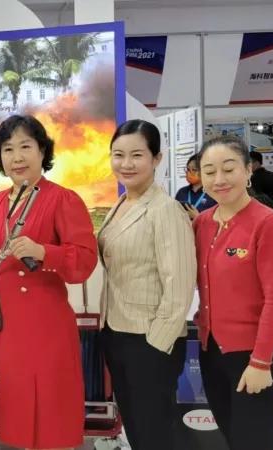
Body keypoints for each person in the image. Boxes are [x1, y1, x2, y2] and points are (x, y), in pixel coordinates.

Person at [0, 114, 98, 449]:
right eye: (8, 149)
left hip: (47, 327)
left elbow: (85, 261)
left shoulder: (63, 199)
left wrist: (44, 252)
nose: (17, 157)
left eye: (26, 146)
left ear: (42, 151)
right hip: (7, 327)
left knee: (52, 412)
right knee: (18, 410)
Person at [98, 120, 197, 450]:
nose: (126, 164)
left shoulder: (165, 209)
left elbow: (179, 283)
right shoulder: (121, 204)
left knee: (155, 432)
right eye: (118, 155)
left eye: (137, 155)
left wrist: (157, 344)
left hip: (150, 339)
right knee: (137, 429)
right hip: (118, 331)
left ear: (157, 159)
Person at [194, 136, 273, 450]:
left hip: (253, 354)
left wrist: (261, 362)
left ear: (248, 171)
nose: (219, 179)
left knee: (253, 441)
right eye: (209, 171)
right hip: (212, 352)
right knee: (231, 438)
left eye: (228, 169)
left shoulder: (268, 223)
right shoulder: (202, 223)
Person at [175, 152, 217, 219]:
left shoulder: (213, 193)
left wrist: (197, 217)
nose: (189, 173)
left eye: (194, 170)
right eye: (188, 169)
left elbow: (218, 221)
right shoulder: (181, 192)